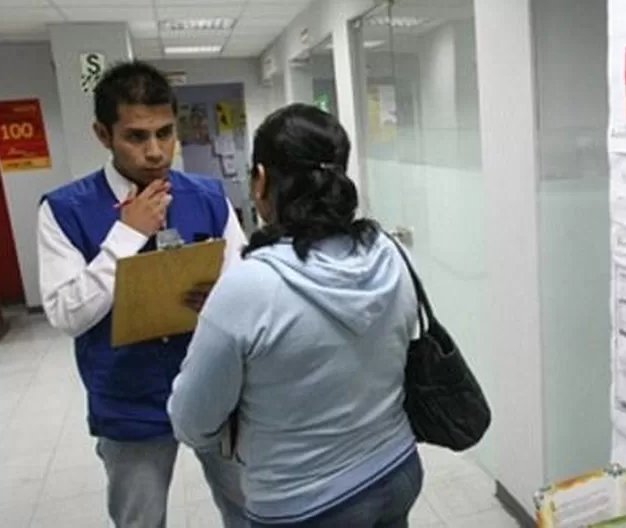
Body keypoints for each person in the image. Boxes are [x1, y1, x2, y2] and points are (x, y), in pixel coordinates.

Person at [167, 104, 423, 527]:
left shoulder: (247, 288)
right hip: (397, 469)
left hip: (305, 503)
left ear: (261, 180)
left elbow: (192, 422)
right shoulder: (391, 253)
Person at [36, 61, 248, 528]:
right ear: (102, 133)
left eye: (165, 132)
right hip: (127, 399)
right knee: (141, 520)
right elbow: (66, 314)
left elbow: (246, 290)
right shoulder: (64, 210)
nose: (155, 151)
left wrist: (220, 298)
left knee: (247, 510)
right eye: (136, 136)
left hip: (215, 385)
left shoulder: (209, 196)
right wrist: (125, 237)